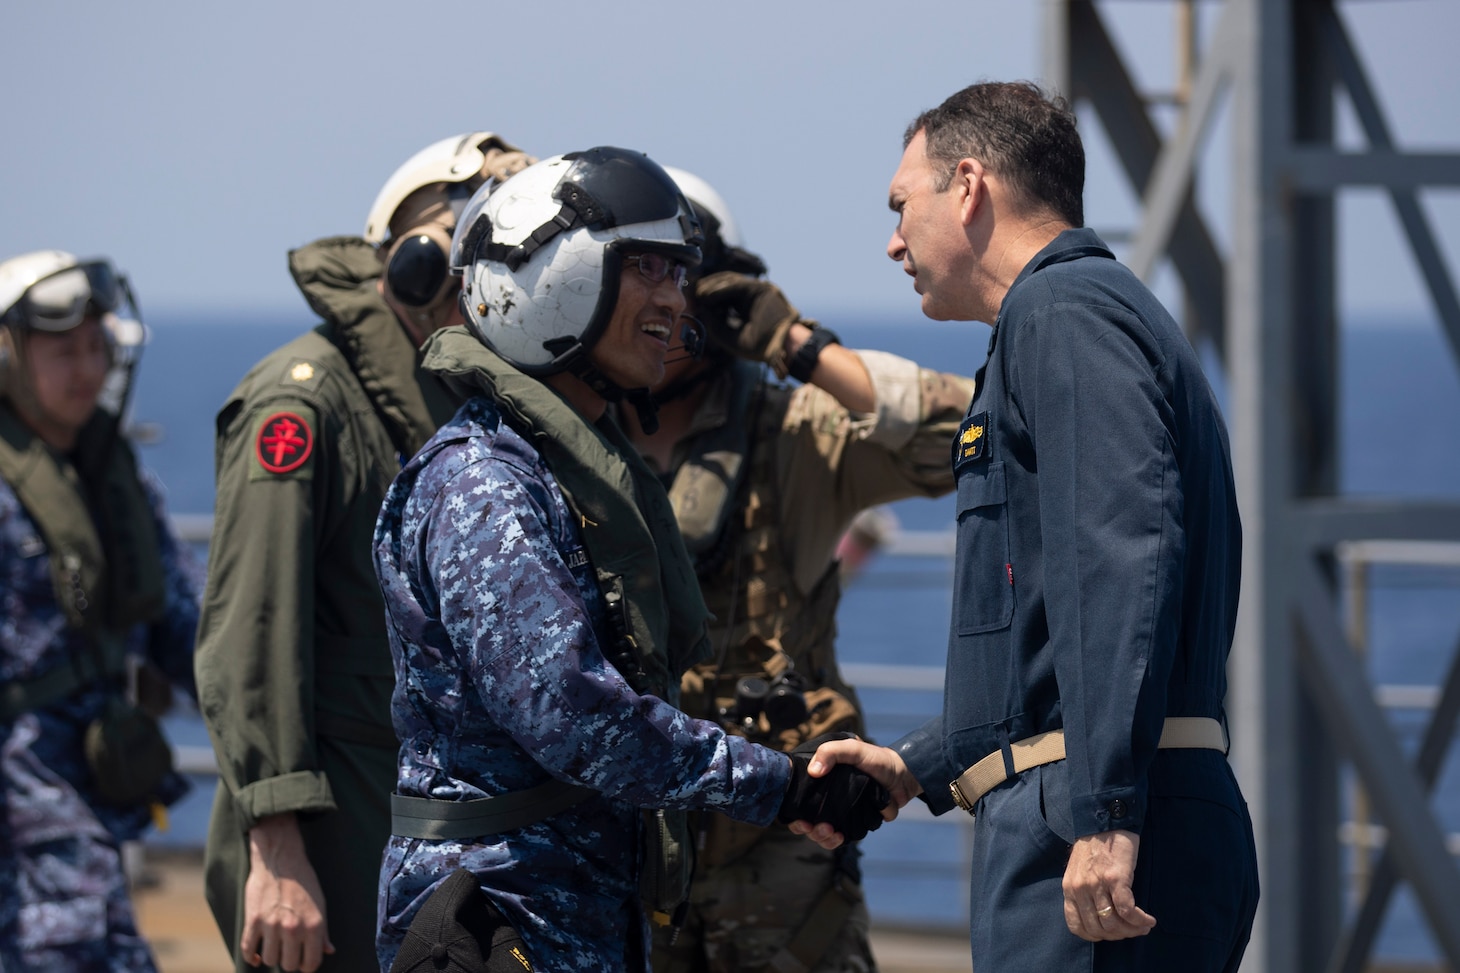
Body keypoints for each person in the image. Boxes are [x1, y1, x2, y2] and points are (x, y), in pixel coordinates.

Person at [373, 147, 890, 973]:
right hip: (498, 915)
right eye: (644, 268)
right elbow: (574, 715)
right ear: (553, 279)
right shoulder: (482, 484)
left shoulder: (561, 472)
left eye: (677, 273)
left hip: (570, 911)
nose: (673, 297)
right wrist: (784, 784)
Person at [795, 82, 1260, 972]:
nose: (893, 241)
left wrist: (1107, 814)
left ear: (968, 185)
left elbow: (1118, 553)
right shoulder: (1082, 315)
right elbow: (1048, 619)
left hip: (1093, 827)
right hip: (1100, 800)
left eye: (902, 206)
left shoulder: (1062, 312)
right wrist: (919, 763)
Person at [194, 131, 534, 973]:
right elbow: (252, 633)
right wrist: (277, 850)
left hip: (428, 819)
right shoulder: (304, 405)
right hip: (331, 833)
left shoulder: (466, 391)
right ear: (424, 261)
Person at [625, 168, 976, 973]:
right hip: (632, 844)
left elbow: (979, 429)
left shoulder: (793, 430)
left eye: (686, 288)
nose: (668, 315)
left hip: (783, 858)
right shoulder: (572, 444)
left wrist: (798, 348)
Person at [0, 250, 201, 971]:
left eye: (98, 346)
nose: (88, 368)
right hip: (22, 810)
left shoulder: (112, 474)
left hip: (91, 801)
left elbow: (186, 628)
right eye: (63, 351)